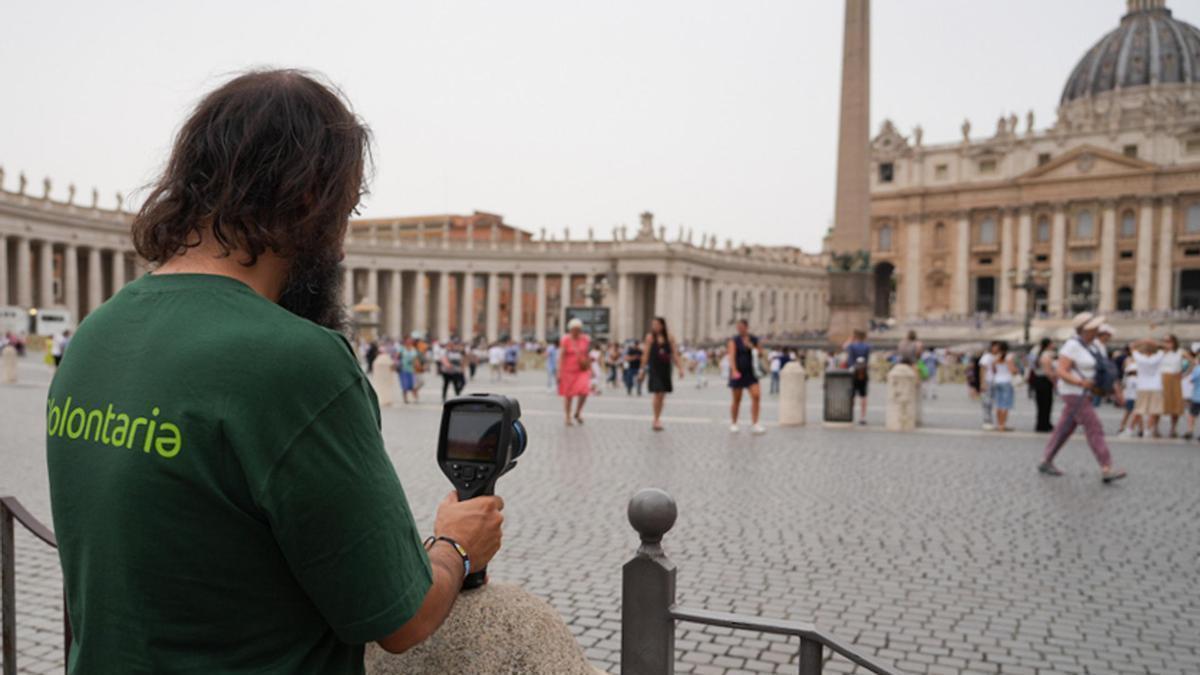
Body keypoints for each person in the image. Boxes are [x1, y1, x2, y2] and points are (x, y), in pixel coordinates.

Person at [45, 70, 504, 672]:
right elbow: (405, 617)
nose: (340, 246)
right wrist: (456, 545)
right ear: (310, 196)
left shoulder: (95, 333)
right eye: (347, 208)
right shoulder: (299, 361)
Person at [1039, 314, 1126, 482]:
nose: (1097, 330)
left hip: (1086, 392)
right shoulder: (1071, 346)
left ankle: (1046, 460)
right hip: (1074, 392)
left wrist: (1113, 390)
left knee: (1064, 428)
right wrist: (1080, 382)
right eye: (1094, 328)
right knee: (1094, 427)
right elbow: (1061, 370)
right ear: (1085, 329)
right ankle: (1106, 467)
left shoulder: (1094, 346)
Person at [640, 317, 685, 431]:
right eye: (653, 324)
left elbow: (675, 354)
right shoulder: (650, 337)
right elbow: (645, 354)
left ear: (662, 325)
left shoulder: (669, 337)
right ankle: (655, 419)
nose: (654, 326)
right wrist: (642, 370)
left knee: (662, 394)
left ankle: (658, 417)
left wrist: (680, 368)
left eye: (656, 324)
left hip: (665, 368)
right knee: (657, 393)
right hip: (654, 368)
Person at [728, 319, 766, 434]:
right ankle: (734, 423)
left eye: (741, 327)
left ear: (746, 327)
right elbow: (732, 356)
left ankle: (755, 423)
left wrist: (752, 347)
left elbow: (761, 353)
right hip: (739, 373)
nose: (739, 329)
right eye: (738, 327)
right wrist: (734, 370)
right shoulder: (734, 340)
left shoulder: (754, 339)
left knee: (756, 395)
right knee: (737, 399)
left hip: (751, 373)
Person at [558, 318, 591, 425]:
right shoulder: (565, 340)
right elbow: (561, 356)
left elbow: (587, 354)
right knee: (569, 395)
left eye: (578, 329)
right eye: (574, 329)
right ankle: (567, 416)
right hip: (568, 371)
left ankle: (578, 411)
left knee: (585, 391)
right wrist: (559, 372)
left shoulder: (585, 339)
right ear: (570, 329)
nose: (576, 331)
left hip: (582, 370)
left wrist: (590, 366)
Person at [1131, 337, 1165, 438]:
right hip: (1156, 386)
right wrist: (1154, 342)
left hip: (1142, 385)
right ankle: (1148, 429)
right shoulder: (1158, 356)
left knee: (1139, 409)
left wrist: (1143, 340)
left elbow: (1132, 346)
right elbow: (1164, 347)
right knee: (1154, 410)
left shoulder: (1139, 358)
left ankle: (1130, 428)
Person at [1160, 334, 1186, 438]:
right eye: (1165, 341)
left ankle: (1173, 428)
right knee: (1160, 405)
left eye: (1169, 341)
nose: (1167, 343)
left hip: (1175, 379)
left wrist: (1184, 374)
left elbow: (1192, 362)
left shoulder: (1180, 352)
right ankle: (1155, 428)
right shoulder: (1160, 353)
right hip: (1162, 378)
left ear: (1174, 342)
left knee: (1175, 406)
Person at [843, 329, 871, 425]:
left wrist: (851, 339)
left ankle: (850, 415)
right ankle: (863, 417)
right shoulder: (867, 346)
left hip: (853, 372)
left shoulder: (852, 345)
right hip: (863, 372)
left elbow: (844, 346)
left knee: (852, 395)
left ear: (856, 337)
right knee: (863, 396)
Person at [990, 341, 1017, 432]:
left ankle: (999, 423)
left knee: (999, 404)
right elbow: (1012, 370)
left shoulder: (995, 357)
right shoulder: (1009, 357)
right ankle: (1003, 424)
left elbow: (993, 370)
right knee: (1005, 404)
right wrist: (1016, 370)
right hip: (1006, 381)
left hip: (997, 381)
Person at [1030, 338, 1057, 433]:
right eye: (1052, 343)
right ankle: (1043, 424)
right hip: (1044, 381)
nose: (1054, 344)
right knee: (1046, 404)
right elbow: (1048, 372)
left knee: (1042, 404)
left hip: (1039, 380)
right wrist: (1054, 382)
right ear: (1048, 344)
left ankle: (1043, 423)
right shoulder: (1046, 355)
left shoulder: (1039, 354)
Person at [977, 342, 998, 430]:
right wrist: (982, 383)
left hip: (995, 381)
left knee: (991, 402)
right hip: (987, 381)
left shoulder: (996, 356)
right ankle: (987, 421)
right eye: (995, 347)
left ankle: (990, 420)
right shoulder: (986, 356)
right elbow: (982, 370)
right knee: (986, 402)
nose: (997, 349)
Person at [1119, 361, 1142, 438]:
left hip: (1129, 398)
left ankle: (1122, 427)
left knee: (1127, 413)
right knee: (1138, 415)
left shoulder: (1127, 379)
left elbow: (1123, 387)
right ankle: (1141, 429)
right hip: (1137, 398)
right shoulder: (1139, 379)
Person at [397, 337, 421, 404]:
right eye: (408, 341)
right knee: (404, 385)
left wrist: (418, 366)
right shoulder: (401, 349)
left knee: (413, 385)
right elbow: (397, 357)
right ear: (405, 342)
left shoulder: (413, 349)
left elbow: (416, 359)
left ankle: (416, 398)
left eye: (410, 341)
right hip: (403, 370)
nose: (409, 342)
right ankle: (405, 399)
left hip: (412, 370)